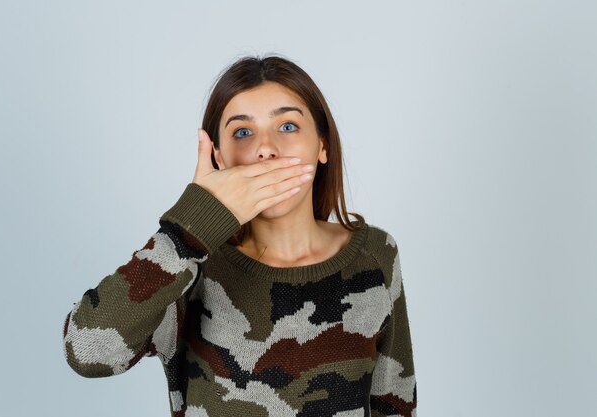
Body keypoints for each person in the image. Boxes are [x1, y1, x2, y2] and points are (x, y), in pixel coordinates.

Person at [62, 54, 417, 417]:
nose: (266, 148)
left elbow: (394, 402)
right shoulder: (189, 267)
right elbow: (87, 351)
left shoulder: (375, 254)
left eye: (288, 126)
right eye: (243, 133)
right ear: (218, 157)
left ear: (322, 145)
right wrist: (190, 226)